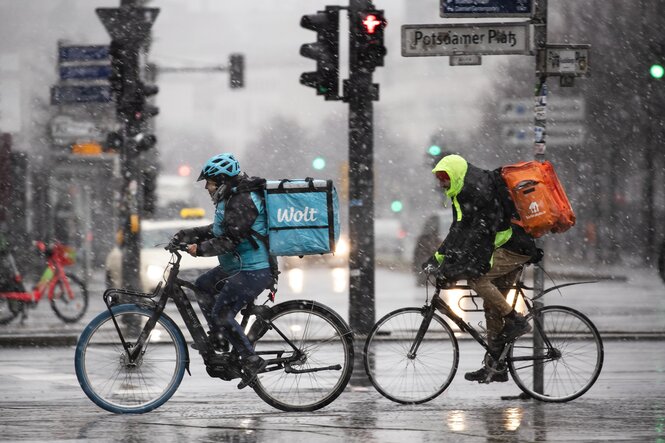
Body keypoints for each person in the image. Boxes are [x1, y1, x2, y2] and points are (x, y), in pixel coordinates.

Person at [422, 154, 540, 383]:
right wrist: (438, 257)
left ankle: (516, 320)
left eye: (445, 178)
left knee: (477, 280)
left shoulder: (478, 191)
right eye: (439, 179)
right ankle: (496, 366)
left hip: (513, 246)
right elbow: (459, 230)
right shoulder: (462, 193)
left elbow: (481, 233)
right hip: (502, 245)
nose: (442, 184)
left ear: (455, 175)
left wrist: (464, 263)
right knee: (491, 305)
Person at [172, 153, 272, 389]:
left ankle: (251, 358)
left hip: (253, 269)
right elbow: (218, 230)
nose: (207, 187)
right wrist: (187, 234)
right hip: (236, 266)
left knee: (222, 314)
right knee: (203, 285)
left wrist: (199, 249)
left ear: (222, 180)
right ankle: (219, 339)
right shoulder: (231, 199)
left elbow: (229, 241)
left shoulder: (242, 201)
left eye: (209, 182)